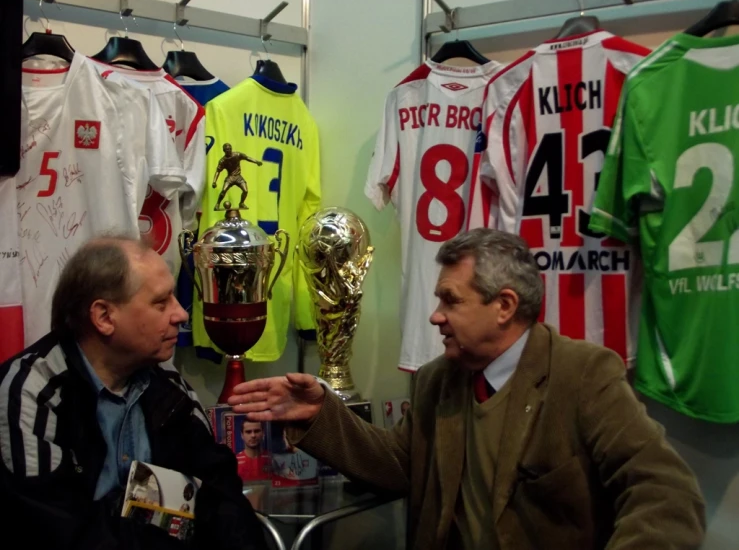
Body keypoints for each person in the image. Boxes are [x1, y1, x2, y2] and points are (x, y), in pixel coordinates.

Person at [228, 228, 706, 550]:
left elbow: (666, 490)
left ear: (504, 306)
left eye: (449, 301)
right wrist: (319, 414)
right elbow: (398, 464)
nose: (435, 315)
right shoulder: (439, 380)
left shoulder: (583, 375)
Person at [0, 235, 267, 550]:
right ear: (104, 317)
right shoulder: (31, 392)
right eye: (161, 302)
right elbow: (55, 530)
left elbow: (224, 504)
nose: (181, 314)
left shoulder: (171, 390)